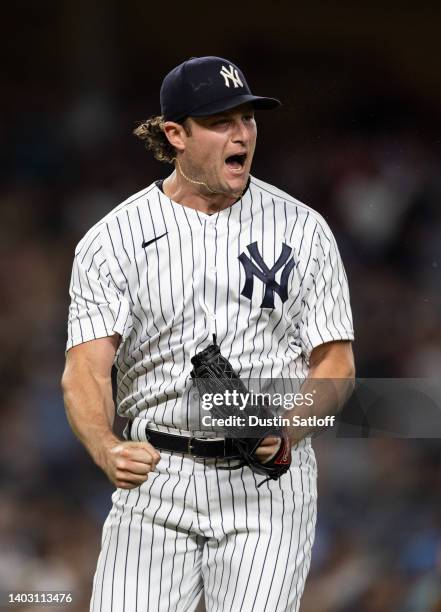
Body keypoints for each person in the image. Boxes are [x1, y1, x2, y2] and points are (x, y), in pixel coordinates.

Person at [62, 56, 355, 612]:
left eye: (247, 119)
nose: (241, 134)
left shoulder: (304, 229)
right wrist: (106, 446)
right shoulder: (113, 240)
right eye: (222, 122)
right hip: (156, 479)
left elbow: (336, 366)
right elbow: (85, 369)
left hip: (266, 487)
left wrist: (290, 431)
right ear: (175, 134)